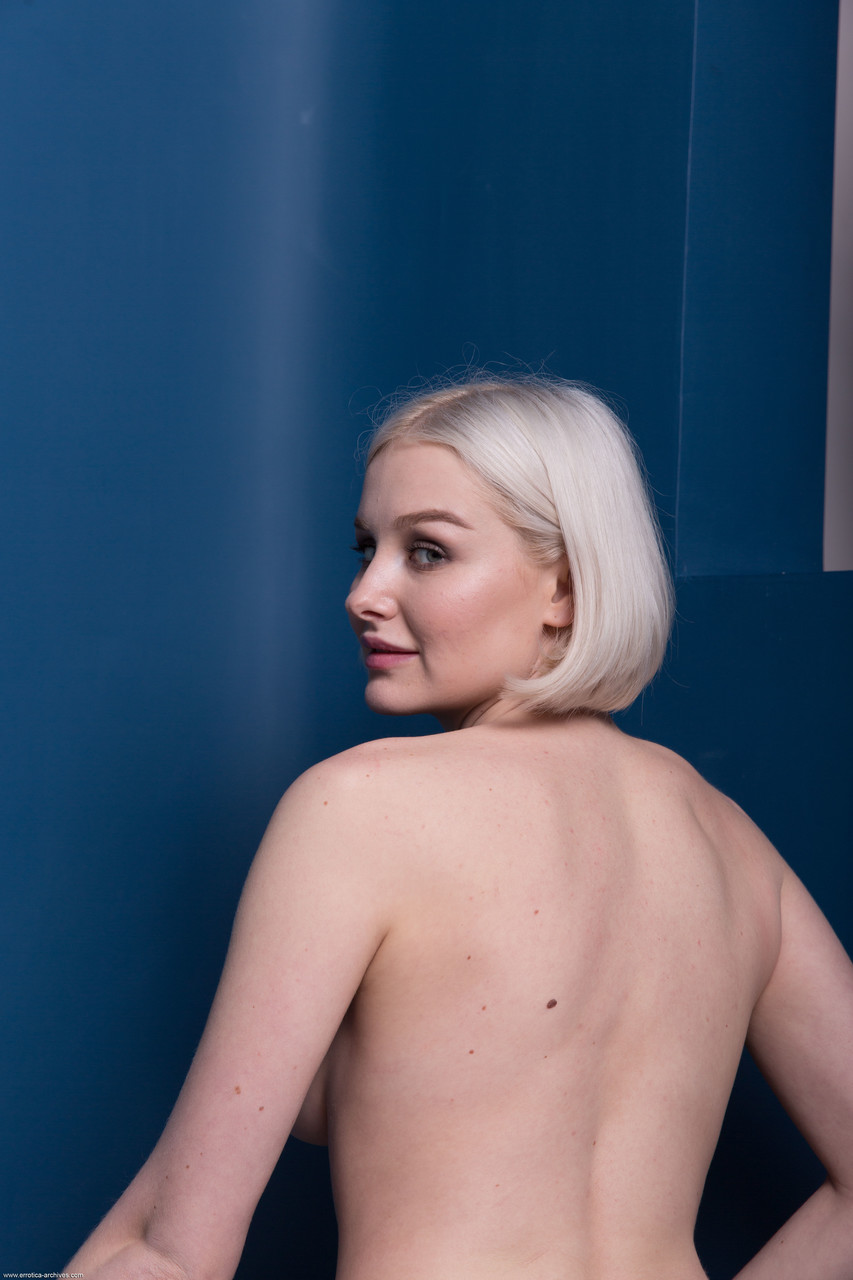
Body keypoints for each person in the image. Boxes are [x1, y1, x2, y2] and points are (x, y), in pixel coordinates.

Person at [68, 376, 853, 1280]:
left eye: (427, 552)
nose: (364, 593)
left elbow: (173, 1252)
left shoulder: (360, 806)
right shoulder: (728, 841)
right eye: (366, 549)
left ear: (564, 588)